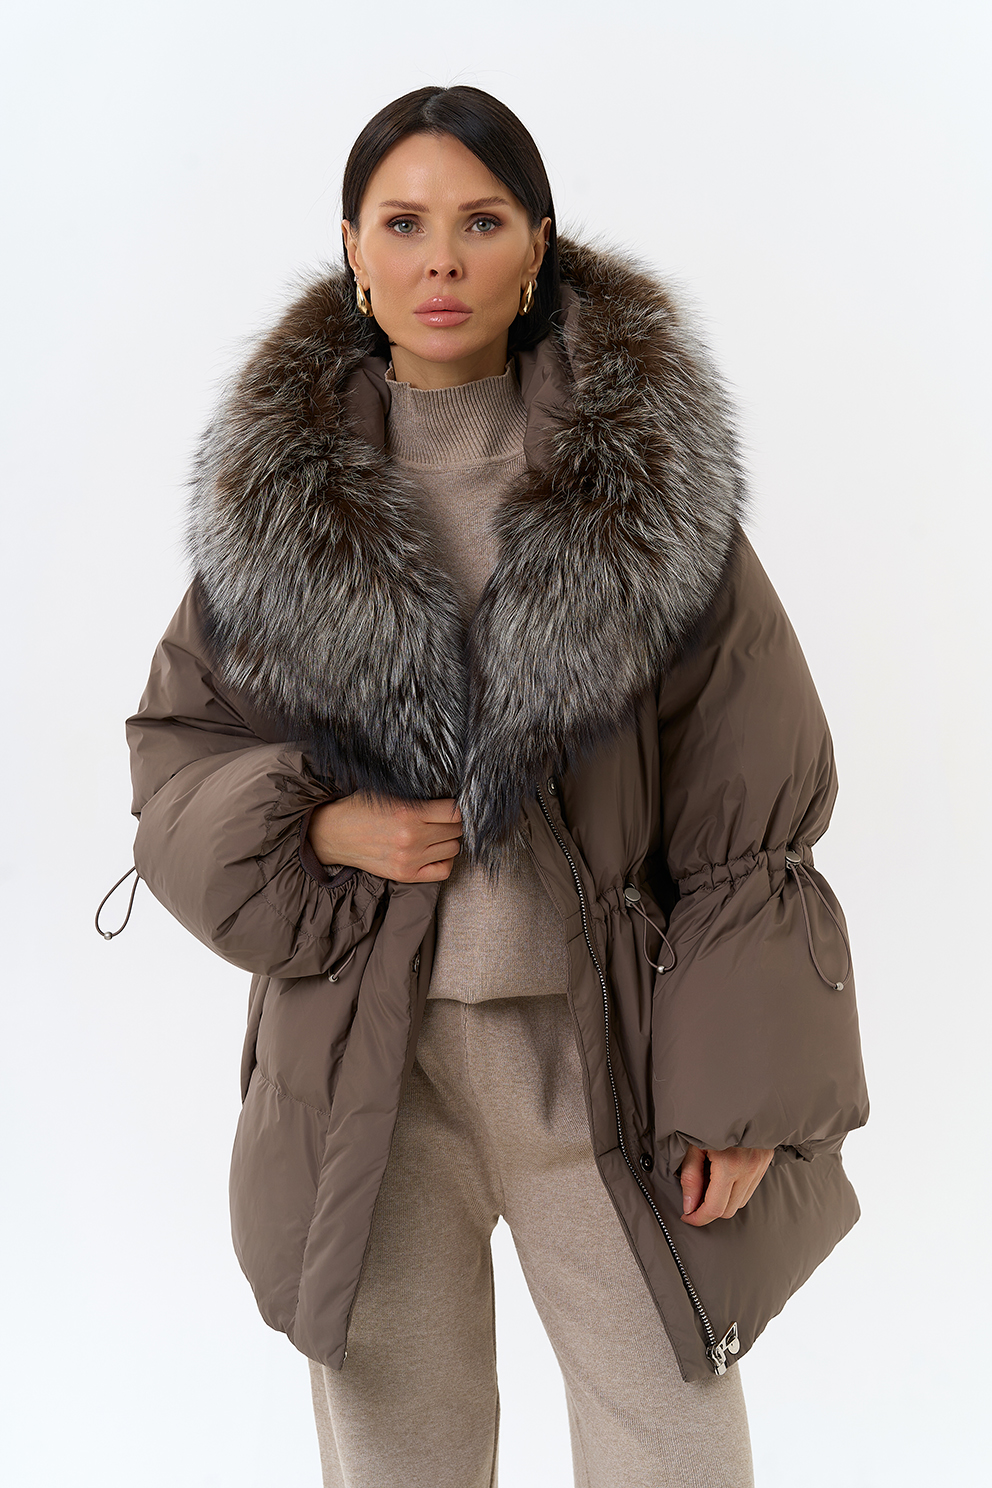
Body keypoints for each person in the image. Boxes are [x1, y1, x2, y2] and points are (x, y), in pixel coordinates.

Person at [120, 85, 868, 1488]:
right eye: (404, 224)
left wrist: (743, 1100)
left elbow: (752, 807)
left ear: (537, 246)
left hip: (602, 1058)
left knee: (671, 1440)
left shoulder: (648, 499)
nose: (442, 261)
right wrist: (322, 824)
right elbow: (177, 761)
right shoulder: (278, 513)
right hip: (370, 1062)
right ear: (354, 249)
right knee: (398, 1451)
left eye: (480, 221)